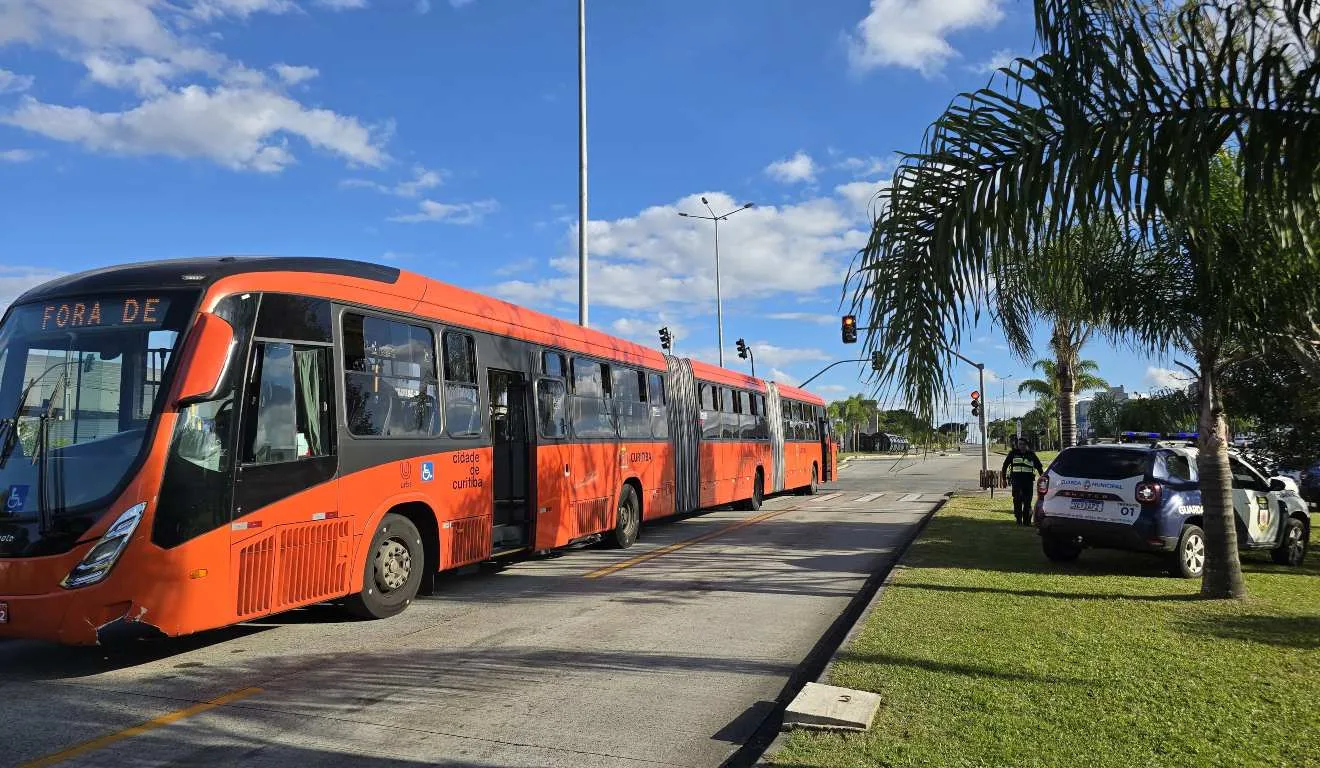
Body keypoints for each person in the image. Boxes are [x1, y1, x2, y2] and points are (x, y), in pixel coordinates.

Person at [1001, 438, 1044, 526]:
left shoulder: (1031, 455)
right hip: (1016, 481)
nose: (1021, 446)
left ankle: (1027, 521)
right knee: (1017, 500)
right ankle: (1018, 520)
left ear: (1026, 445)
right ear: (1017, 445)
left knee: (1027, 502)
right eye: (1020, 444)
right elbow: (1005, 466)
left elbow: (1039, 467)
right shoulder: (1013, 454)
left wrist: (1043, 479)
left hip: (1028, 482)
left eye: (1023, 444)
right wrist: (1004, 479)